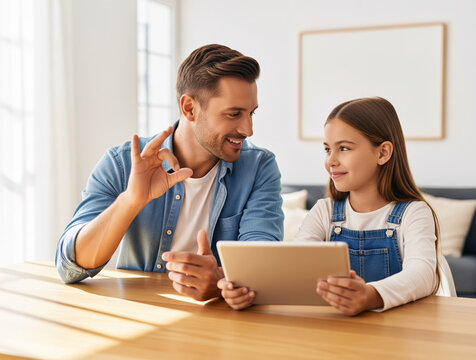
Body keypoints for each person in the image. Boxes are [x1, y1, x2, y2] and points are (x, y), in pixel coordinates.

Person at [55, 44, 284, 301]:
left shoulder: (259, 168)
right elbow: (69, 267)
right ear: (189, 108)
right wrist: (131, 200)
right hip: (140, 318)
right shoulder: (123, 163)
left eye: (251, 113)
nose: (248, 129)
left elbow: (264, 263)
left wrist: (220, 280)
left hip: (222, 325)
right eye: (234, 114)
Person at [218, 97, 455, 313]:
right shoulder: (324, 212)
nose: (330, 160)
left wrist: (370, 295)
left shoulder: (413, 213)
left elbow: (422, 276)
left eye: (344, 148)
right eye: (327, 149)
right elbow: (295, 265)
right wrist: (247, 292)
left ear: (383, 153)